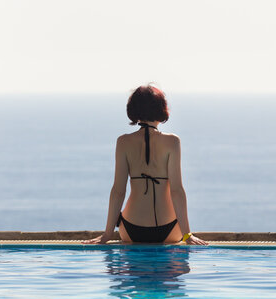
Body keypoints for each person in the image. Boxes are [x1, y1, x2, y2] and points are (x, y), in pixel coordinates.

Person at [83, 85, 208, 245]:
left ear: (133, 109)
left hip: (131, 229)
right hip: (169, 229)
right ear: (161, 108)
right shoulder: (172, 142)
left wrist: (107, 234)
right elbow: (176, 191)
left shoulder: (123, 142)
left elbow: (118, 191)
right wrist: (187, 235)